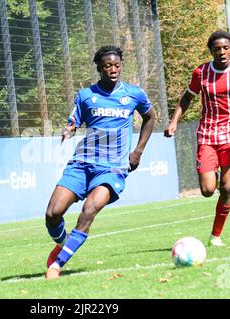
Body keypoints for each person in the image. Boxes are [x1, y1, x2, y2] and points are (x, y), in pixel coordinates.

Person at [45, 45, 155, 279]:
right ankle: (64, 243)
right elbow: (73, 121)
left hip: (113, 167)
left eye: (116, 65)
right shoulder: (86, 96)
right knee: (53, 214)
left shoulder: (134, 94)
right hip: (82, 163)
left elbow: (150, 117)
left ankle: (58, 264)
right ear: (99, 68)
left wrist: (138, 151)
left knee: (89, 209)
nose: (113, 69)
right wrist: (69, 129)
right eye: (107, 66)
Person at [164, 31, 230, 246]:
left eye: (226, 48)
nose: (222, 52)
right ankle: (218, 174)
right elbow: (186, 98)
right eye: (217, 49)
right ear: (211, 51)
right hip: (208, 134)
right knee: (208, 190)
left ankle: (215, 236)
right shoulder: (200, 72)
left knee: (227, 188)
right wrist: (174, 121)